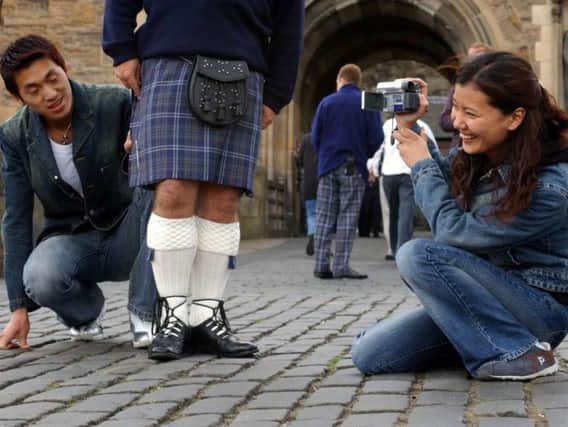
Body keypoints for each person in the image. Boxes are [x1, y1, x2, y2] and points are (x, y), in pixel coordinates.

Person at [102, 1, 304, 360]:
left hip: (245, 70)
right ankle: (173, 315)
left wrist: (276, 94)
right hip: (169, 61)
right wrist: (121, 47)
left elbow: (290, 21)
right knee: (173, 188)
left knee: (225, 199)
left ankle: (207, 315)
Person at [352, 51, 568, 381]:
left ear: (514, 117)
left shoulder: (551, 188)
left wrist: (421, 165)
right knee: (369, 353)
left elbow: (454, 234)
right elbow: (448, 181)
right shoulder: (483, 153)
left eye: (470, 113)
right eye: (455, 108)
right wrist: (410, 129)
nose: (456, 122)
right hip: (484, 301)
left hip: (539, 309)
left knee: (417, 254)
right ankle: (481, 342)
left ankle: (523, 354)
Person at [0, 35, 157, 350]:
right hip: (72, 240)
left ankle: (146, 312)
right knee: (39, 276)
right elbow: (16, 217)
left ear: (64, 67)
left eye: (53, 78)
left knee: (159, 185)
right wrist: (18, 306)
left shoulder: (115, 103)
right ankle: (84, 315)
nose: (50, 94)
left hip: (130, 232)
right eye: (33, 90)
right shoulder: (15, 136)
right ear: (19, 97)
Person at [311, 64, 383, 280]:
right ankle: (341, 265)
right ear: (357, 80)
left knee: (324, 215)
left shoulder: (326, 102)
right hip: (353, 164)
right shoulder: (367, 101)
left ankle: (321, 264)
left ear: (339, 80)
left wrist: (325, 154)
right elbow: (377, 138)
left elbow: (315, 136)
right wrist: (363, 154)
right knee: (348, 217)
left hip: (328, 165)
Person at [367, 118, 437, 258]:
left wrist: (373, 167)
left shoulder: (387, 124)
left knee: (393, 212)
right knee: (406, 213)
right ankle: (402, 249)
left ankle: (393, 249)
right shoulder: (422, 125)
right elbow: (432, 147)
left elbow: (381, 148)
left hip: (388, 174)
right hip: (407, 172)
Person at [439, 42, 492, 144]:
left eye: (478, 58)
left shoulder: (497, 89)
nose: (473, 63)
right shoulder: (458, 89)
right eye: (471, 58)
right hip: (460, 148)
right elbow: (444, 121)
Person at [296, 132, 318, 256]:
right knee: (324, 214)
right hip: (323, 180)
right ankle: (321, 242)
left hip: (308, 182)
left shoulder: (306, 139)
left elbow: (299, 160)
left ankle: (312, 236)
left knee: (311, 213)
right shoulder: (326, 137)